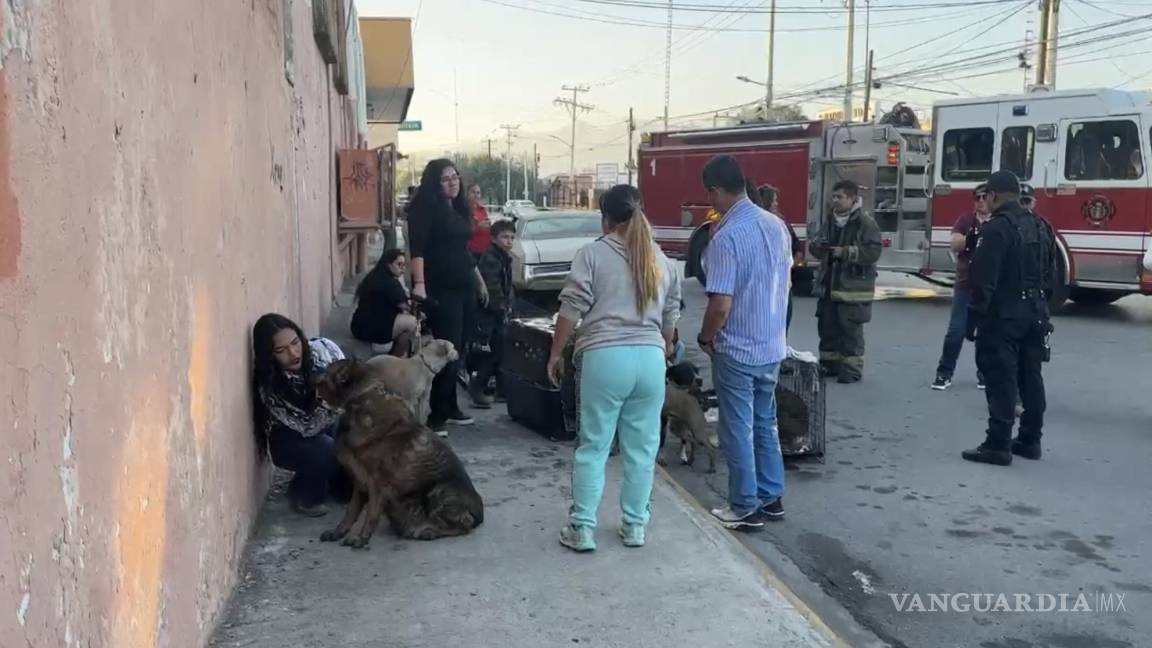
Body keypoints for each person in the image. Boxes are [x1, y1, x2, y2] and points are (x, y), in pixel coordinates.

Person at [546, 184, 681, 552]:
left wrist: (555, 354)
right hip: (651, 360)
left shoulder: (592, 254)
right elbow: (670, 319)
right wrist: (665, 348)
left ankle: (582, 528)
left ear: (605, 218)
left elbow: (570, 309)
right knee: (642, 449)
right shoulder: (663, 260)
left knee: (594, 446)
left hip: (606, 358)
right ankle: (635, 526)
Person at [696, 156, 791, 531]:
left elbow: (720, 304)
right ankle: (771, 497)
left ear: (717, 190)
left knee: (736, 428)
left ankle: (744, 506)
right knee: (765, 423)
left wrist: (705, 337)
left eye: (711, 194)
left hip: (737, 348)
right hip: (771, 345)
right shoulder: (776, 225)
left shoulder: (726, 236)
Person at [962, 170, 1055, 466]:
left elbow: (983, 280)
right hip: (1036, 313)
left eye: (985, 196)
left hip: (1003, 316)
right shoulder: (1041, 225)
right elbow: (1050, 274)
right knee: (1031, 377)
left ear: (993, 195)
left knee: (1001, 379)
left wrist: (974, 318)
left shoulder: (996, 229)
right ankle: (1030, 439)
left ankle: (998, 444)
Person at [407, 159, 491, 434]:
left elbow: (462, 249)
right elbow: (417, 249)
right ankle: (437, 415)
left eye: (455, 176)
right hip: (441, 288)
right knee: (447, 347)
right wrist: (419, 284)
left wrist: (478, 281)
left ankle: (451, 406)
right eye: (446, 179)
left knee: (461, 346)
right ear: (434, 182)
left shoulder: (456, 207)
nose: (453, 182)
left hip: (464, 283)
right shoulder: (424, 208)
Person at [251, 313, 347, 517]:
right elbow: (307, 427)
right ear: (270, 354)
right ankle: (306, 497)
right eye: (281, 350)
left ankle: (323, 479)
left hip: (326, 426)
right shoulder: (268, 386)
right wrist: (330, 399)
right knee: (326, 449)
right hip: (290, 439)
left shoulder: (318, 354)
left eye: (295, 343)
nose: (293, 353)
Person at [808, 180, 882, 384]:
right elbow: (816, 246)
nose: (835, 201)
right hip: (829, 287)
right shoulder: (830, 221)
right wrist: (817, 246)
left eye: (840, 197)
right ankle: (829, 365)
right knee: (827, 327)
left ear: (852, 199)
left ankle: (851, 370)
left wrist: (847, 252)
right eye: (834, 197)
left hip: (853, 289)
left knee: (850, 331)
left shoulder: (865, 223)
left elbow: (874, 251)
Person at [932, 185, 991, 391]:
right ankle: (944, 373)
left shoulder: (998, 221)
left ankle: (985, 375)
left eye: (985, 197)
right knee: (956, 331)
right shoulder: (967, 220)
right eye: (977, 198)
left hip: (989, 287)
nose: (981, 201)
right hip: (966, 284)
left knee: (987, 333)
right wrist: (973, 239)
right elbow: (955, 243)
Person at [468, 219, 516, 408]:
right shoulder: (491, 258)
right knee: (493, 353)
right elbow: (493, 288)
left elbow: (507, 286)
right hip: (489, 314)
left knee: (500, 351)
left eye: (512, 237)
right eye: (505, 237)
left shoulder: (504, 257)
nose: (509, 241)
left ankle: (501, 390)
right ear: (494, 239)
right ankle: (478, 385)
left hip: (498, 312)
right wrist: (502, 309)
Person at [349, 248, 419, 357]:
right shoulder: (389, 283)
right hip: (370, 327)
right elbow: (407, 307)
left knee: (405, 320)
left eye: (404, 265)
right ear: (388, 264)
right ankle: (395, 359)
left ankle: (393, 353)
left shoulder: (375, 276)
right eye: (399, 265)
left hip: (358, 325)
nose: (403, 269)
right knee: (412, 323)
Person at [757, 184, 804, 331]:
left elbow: (797, 249)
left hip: (782, 283)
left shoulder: (783, 224)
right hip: (766, 284)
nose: (777, 204)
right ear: (766, 202)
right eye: (774, 200)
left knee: (781, 324)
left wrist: (791, 264)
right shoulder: (757, 224)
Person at [466, 182, 492, 258]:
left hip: (485, 251)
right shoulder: (464, 210)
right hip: (471, 252)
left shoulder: (482, 209)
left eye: (478, 193)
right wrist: (478, 226)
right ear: (467, 194)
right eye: (473, 192)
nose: (476, 195)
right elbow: (463, 231)